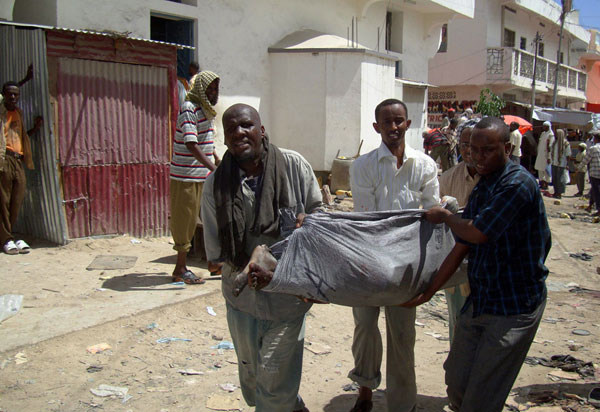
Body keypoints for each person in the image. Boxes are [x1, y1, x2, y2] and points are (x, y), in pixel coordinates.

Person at [402, 117, 550, 412]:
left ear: (507, 148)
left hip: (514, 305)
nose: (478, 157)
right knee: (456, 380)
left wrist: (446, 217)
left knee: (481, 395)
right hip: (481, 299)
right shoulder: (486, 186)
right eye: (473, 150)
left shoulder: (517, 184)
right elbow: (462, 244)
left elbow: (476, 233)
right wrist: (430, 291)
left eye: (488, 150)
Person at [201, 103, 321, 412]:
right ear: (225, 140)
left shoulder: (293, 167)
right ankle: (290, 403)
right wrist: (248, 264)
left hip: (287, 297)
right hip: (242, 300)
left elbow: (321, 218)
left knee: (276, 383)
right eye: (231, 129)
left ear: (261, 130)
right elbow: (216, 256)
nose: (239, 133)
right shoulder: (215, 185)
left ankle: (283, 402)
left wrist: (307, 224)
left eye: (246, 126)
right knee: (252, 381)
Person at [349, 98, 439, 412]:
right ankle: (365, 391)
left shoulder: (425, 165)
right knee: (365, 328)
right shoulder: (363, 166)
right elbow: (365, 220)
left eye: (399, 120)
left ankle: (403, 403)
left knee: (403, 335)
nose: (393, 127)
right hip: (369, 261)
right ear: (377, 127)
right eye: (386, 122)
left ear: (408, 124)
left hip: (408, 266)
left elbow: (431, 213)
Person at [169, 71, 219, 284]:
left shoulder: (206, 112)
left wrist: (217, 160)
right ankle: (180, 269)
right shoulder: (189, 108)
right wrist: (213, 167)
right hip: (186, 176)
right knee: (185, 222)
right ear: (200, 89)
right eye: (210, 89)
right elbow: (191, 143)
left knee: (210, 219)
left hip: (203, 177)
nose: (214, 93)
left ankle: (214, 262)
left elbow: (207, 143)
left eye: (216, 89)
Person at [438, 119, 480, 342]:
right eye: (464, 144)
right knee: (458, 322)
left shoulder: (499, 179)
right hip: (456, 263)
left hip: (487, 265)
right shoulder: (447, 178)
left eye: (474, 144)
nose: (469, 150)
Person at [1, 81, 43, 255]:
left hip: (18, 160)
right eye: (9, 94)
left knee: (16, 200)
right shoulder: (1, 111)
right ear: (3, 95)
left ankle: (7, 235)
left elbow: (21, 136)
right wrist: (25, 78)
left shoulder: (18, 113)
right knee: (3, 201)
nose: (13, 97)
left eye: (16, 94)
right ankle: (6, 239)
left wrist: (36, 128)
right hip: (4, 159)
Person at [581, 133, 600, 216]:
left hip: (595, 173)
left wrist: (579, 167)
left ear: (596, 139)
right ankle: (590, 206)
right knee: (593, 190)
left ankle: (599, 209)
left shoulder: (593, 148)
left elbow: (586, 160)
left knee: (596, 192)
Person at [550, 129, 571, 199]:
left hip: (561, 164)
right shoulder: (555, 142)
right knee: (555, 178)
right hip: (554, 163)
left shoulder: (566, 144)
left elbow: (568, 155)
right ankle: (556, 191)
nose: (555, 135)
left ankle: (560, 192)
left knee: (560, 179)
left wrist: (567, 164)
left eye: (556, 134)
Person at [535, 121, 554, 190]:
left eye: (545, 126)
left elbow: (550, 147)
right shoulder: (543, 134)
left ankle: (546, 184)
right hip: (540, 154)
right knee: (540, 169)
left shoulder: (551, 135)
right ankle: (541, 183)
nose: (544, 127)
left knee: (546, 170)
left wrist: (549, 157)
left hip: (546, 155)